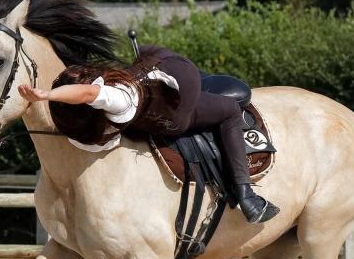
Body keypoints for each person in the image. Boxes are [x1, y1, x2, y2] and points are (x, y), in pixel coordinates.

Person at [18, 45, 279, 223]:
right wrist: (48, 94)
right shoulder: (119, 99)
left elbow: (87, 95)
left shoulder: (84, 132)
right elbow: (88, 93)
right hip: (177, 113)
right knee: (230, 111)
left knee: (144, 53)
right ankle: (247, 196)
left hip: (159, 87)